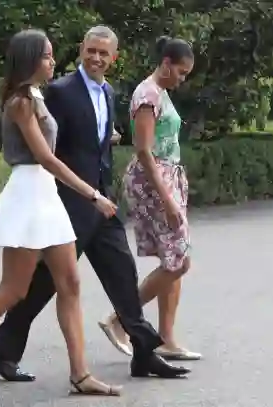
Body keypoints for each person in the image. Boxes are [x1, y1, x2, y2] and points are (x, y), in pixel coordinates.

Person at [0, 25, 191, 382]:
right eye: (90, 50)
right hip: (69, 202)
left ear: (114, 58)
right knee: (44, 284)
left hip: (101, 199)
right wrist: (81, 191)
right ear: (81, 49)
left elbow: (94, 143)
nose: (96, 58)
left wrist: (103, 167)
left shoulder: (108, 91)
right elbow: (46, 146)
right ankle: (2, 350)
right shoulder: (59, 91)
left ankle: (144, 353)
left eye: (103, 53)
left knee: (123, 275)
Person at [0, 28, 122, 397]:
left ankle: (80, 375)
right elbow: (46, 158)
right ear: (30, 60)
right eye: (48, 56)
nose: (54, 61)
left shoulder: (37, 95)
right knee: (13, 289)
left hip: (45, 196)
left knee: (70, 283)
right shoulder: (21, 101)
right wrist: (92, 194)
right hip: (29, 195)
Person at [99, 36, 201, 361]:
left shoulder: (162, 93)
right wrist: (168, 199)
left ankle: (166, 339)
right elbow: (144, 151)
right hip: (152, 182)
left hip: (168, 178)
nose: (182, 79)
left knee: (171, 260)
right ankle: (119, 318)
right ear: (167, 63)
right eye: (181, 72)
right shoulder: (147, 95)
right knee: (179, 262)